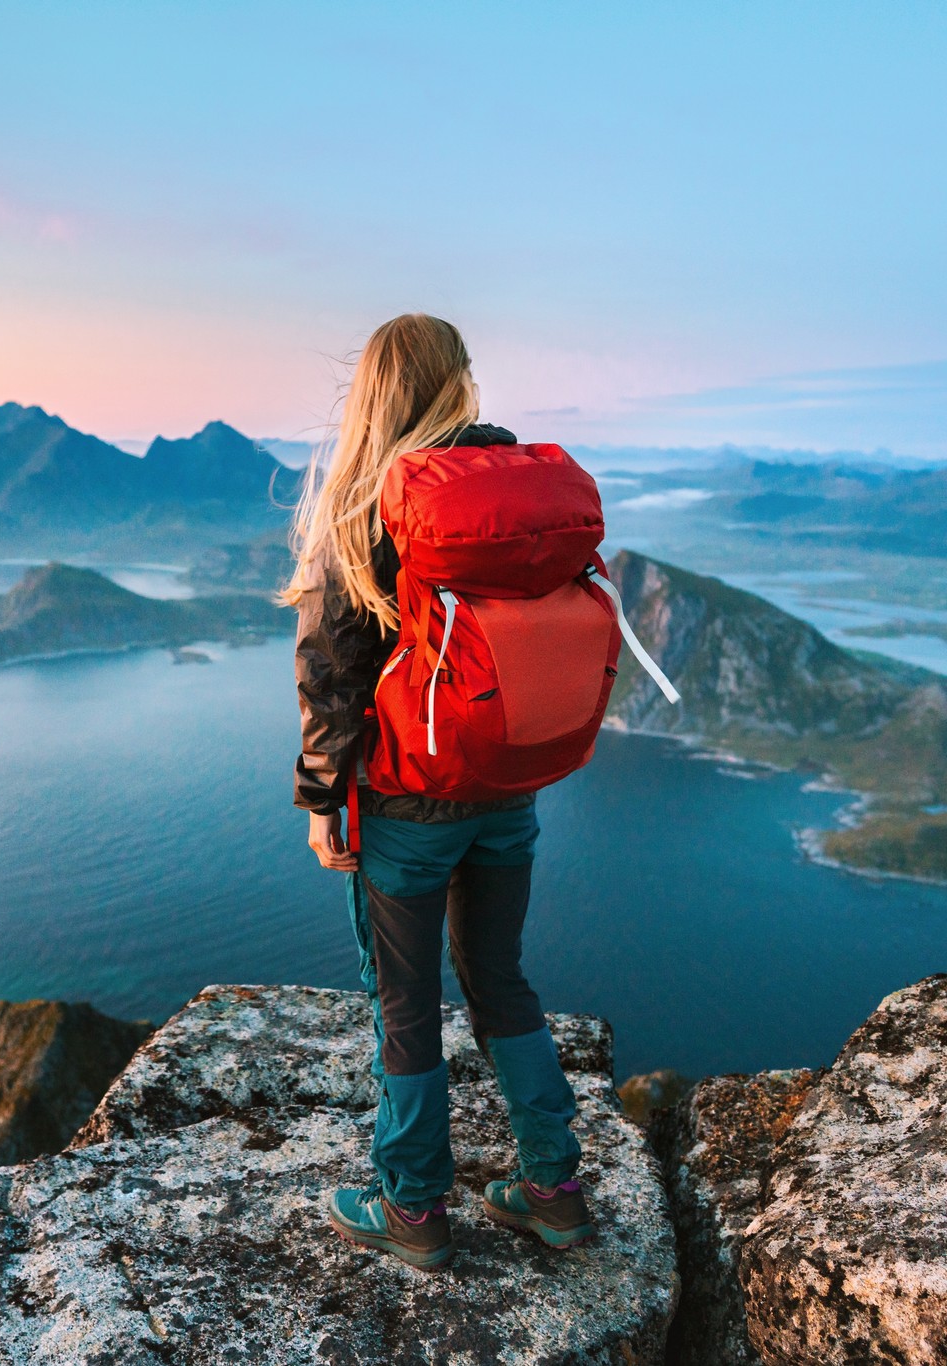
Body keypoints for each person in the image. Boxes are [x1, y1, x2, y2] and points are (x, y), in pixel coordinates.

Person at [282, 313, 594, 1271]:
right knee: (501, 980)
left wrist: (324, 799)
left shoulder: (372, 502)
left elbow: (333, 669)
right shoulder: (514, 491)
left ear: (373, 392)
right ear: (461, 380)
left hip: (407, 803)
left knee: (407, 1005)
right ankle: (554, 1189)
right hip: (507, 786)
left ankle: (414, 1205)